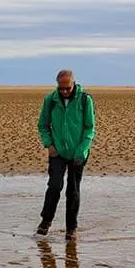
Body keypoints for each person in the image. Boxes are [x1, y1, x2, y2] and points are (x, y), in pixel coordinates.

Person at [36, 70, 96, 241]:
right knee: (55, 186)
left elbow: (89, 128)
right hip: (57, 152)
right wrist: (49, 145)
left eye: (67, 88)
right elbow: (43, 125)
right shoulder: (50, 100)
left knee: (73, 190)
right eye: (61, 88)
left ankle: (71, 228)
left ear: (74, 84)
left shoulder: (85, 100)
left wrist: (82, 151)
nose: (64, 92)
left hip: (78, 153)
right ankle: (45, 222)